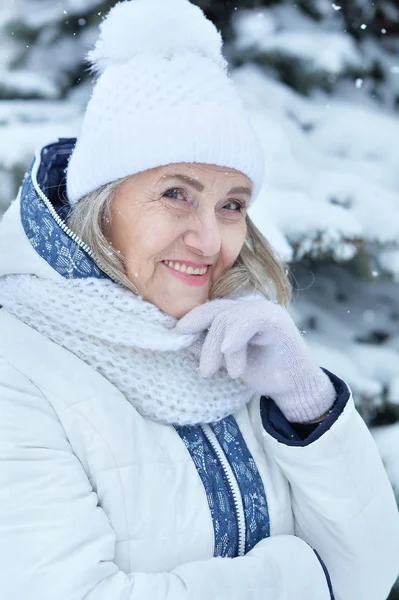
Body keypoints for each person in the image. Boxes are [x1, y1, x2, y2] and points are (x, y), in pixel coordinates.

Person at [0, 1, 398, 599]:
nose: (210, 241)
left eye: (231, 204)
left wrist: (306, 403)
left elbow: (369, 574)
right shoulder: (18, 370)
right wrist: (297, 578)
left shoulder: (236, 339)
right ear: (101, 205)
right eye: (175, 194)